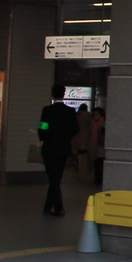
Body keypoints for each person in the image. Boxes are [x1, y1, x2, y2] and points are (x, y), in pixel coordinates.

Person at [36, 84, 79, 217]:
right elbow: (75, 129)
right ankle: (48, 208)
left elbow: (42, 127)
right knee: (56, 178)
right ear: (64, 93)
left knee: (52, 179)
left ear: (52, 94)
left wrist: (44, 137)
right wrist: (65, 137)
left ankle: (58, 208)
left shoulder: (47, 110)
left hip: (49, 148)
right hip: (63, 149)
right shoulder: (70, 111)